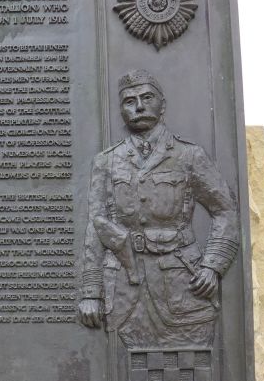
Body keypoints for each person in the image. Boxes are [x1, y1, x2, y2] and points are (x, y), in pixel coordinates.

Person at [78, 70, 238, 347]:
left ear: (162, 105)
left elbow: (225, 211)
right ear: (121, 111)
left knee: (190, 365)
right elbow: (96, 226)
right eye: (129, 101)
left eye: (147, 98)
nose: (139, 106)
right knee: (127, 368)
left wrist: (213, 266)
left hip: (182, 285)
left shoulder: (189, 155)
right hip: (124, 291)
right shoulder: (106, 161)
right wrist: (91, 291)